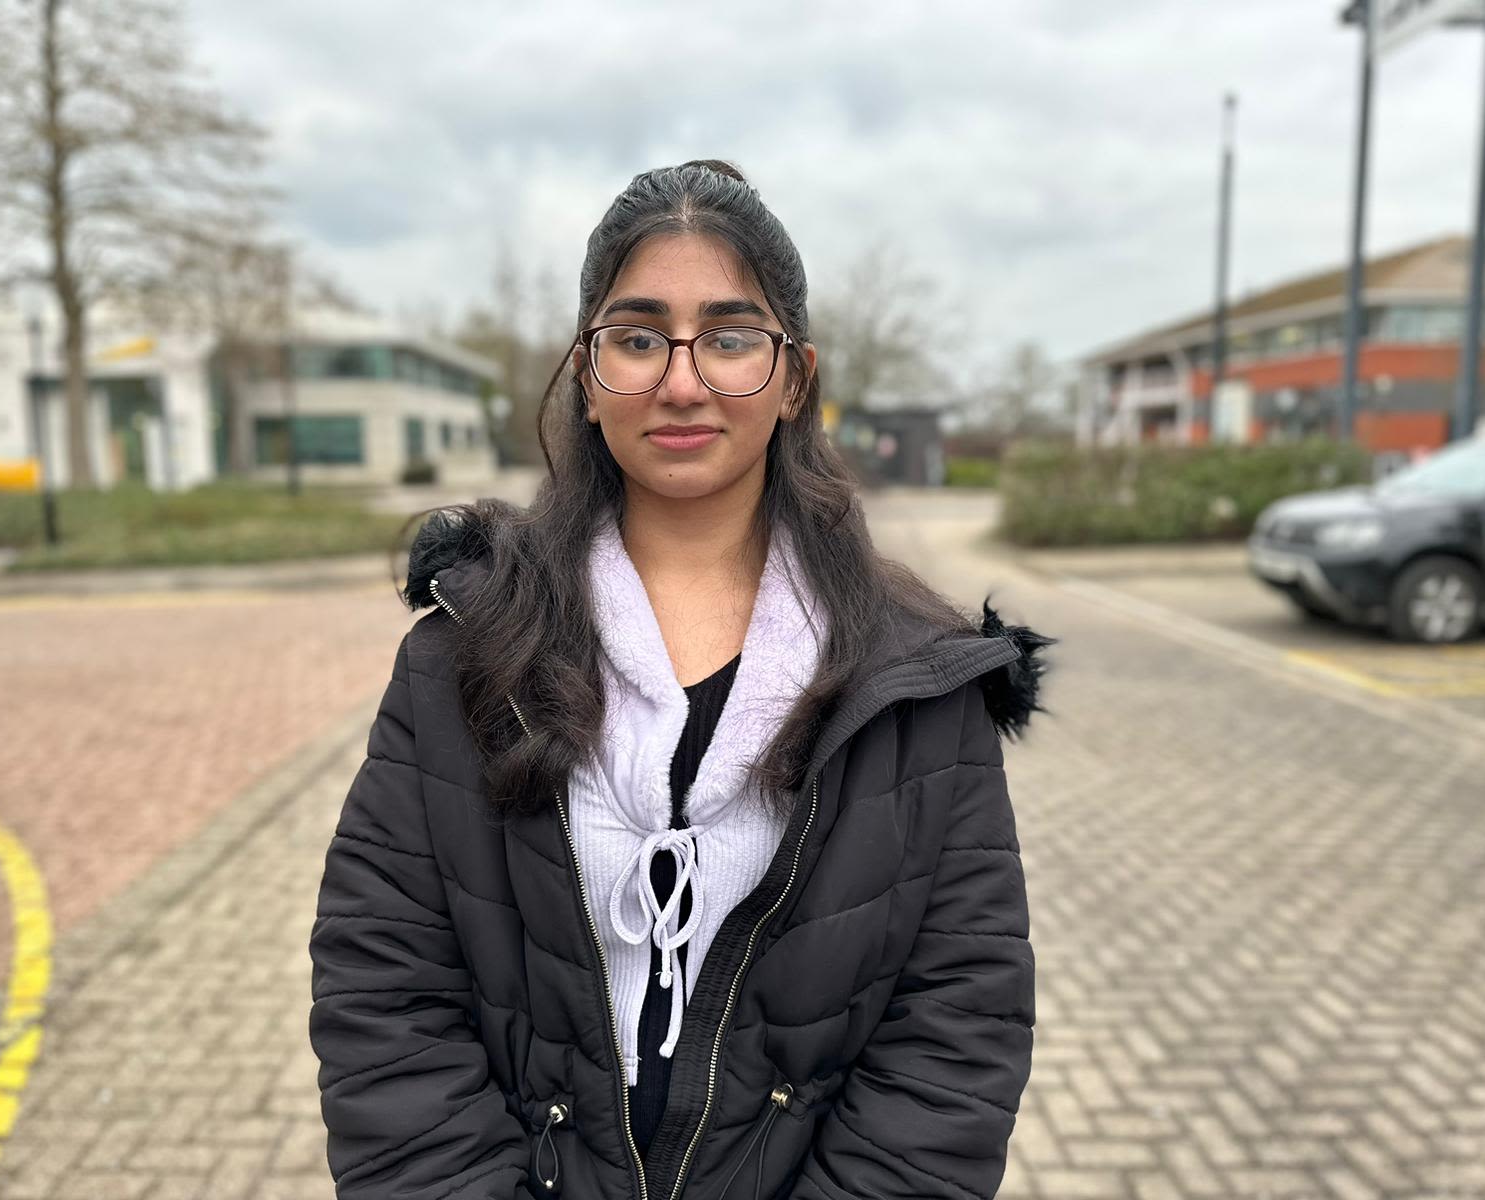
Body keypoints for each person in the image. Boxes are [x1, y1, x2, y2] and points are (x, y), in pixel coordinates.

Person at [309, 159, 1053, 1200]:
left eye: (733, 336)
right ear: (586, 368)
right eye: (639, 335)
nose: (683, 380)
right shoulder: (464, 650)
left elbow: (956, 1026)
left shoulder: (916, 679)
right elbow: (384, 987)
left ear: (795, 375)